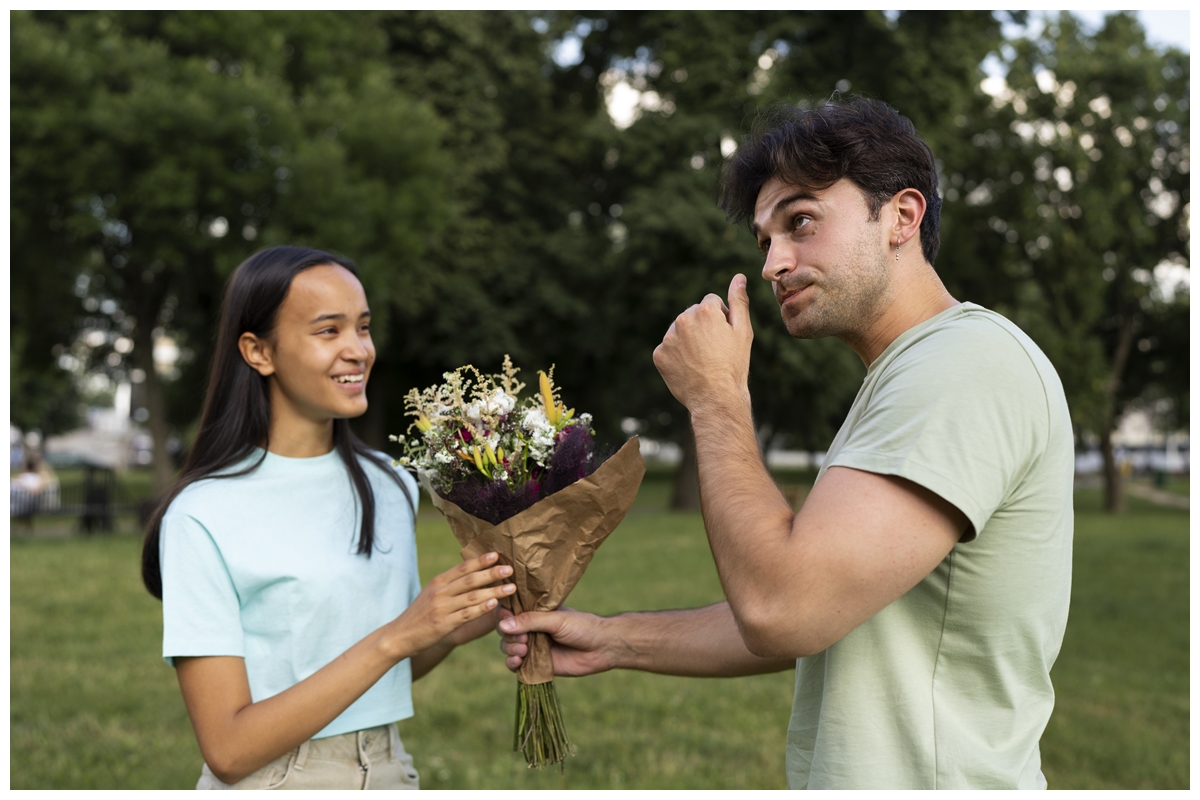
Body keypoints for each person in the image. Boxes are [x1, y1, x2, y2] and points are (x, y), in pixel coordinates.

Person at [500, 98, 1074, 789]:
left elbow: (784, 611)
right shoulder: (911, 375)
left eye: (801, 222)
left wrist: (716, 399)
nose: (774, 263)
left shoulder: (961, 366)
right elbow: (827, 609)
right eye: (765, 239)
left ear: (902, 217)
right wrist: (614, 640)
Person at [140, 246, 515, 789]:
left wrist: (449, 630)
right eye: (328, 331)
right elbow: (227, 748)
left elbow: (382, 672)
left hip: (389, 769)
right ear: (257, 351)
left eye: (362, 328)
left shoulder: (389, 483)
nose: (358, 350)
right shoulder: (203, 513)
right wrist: (398, 634)